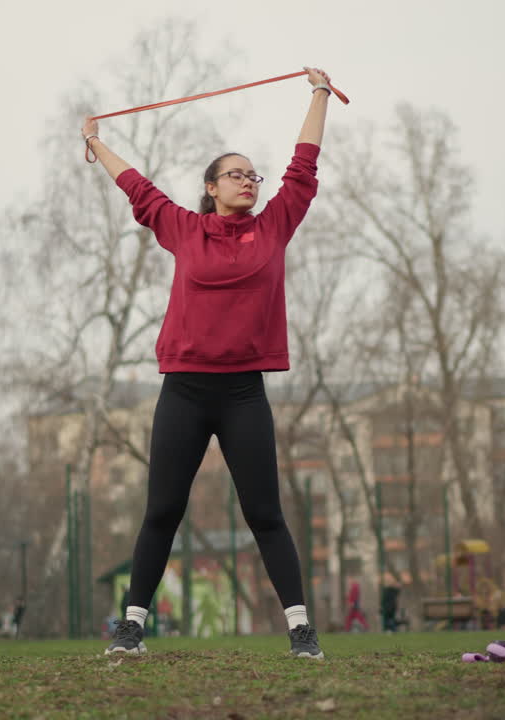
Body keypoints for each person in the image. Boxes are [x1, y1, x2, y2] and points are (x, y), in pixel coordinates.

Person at [83, 66, 335, 660]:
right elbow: (139, 189)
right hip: (185, 392)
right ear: (211, 187)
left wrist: (320, 94)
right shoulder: (184, 229)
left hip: (244, 393)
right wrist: (95, 142)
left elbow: (304, 164)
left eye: (253, 174)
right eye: (236, 174)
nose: (248, 181)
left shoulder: (274, 224)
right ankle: (131, 628)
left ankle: (301, 631)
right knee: (162, 510)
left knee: (265, 513)